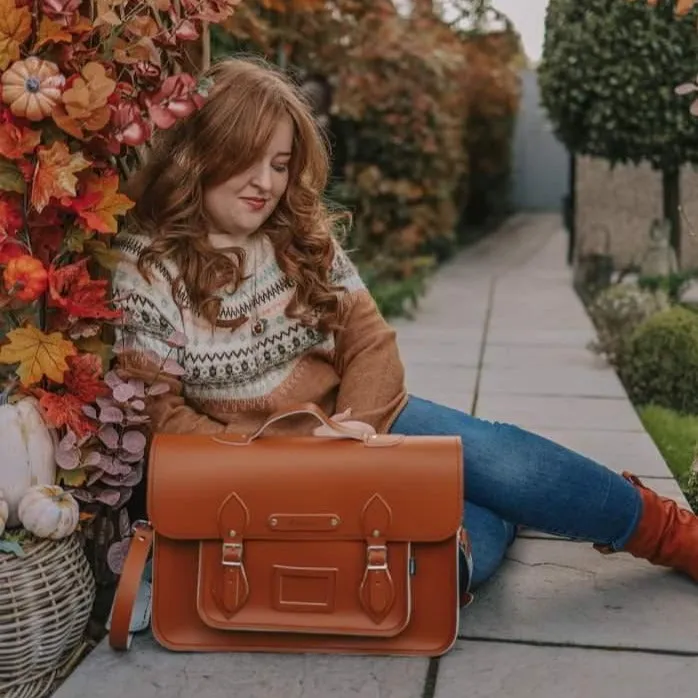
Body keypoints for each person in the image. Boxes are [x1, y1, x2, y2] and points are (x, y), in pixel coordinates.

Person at [111, 55, 698, 592]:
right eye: (249, 160)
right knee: (477, 522)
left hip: (363, 422)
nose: (267, 182)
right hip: (255, 467)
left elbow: (369, 343)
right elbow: (165, 417)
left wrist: (352, 431)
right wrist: (287, 455)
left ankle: (671, 534)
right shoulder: (147, 267)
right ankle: (435, 574)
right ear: (201, 153)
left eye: (282, 164)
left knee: (501, 456)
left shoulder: (295, 239)